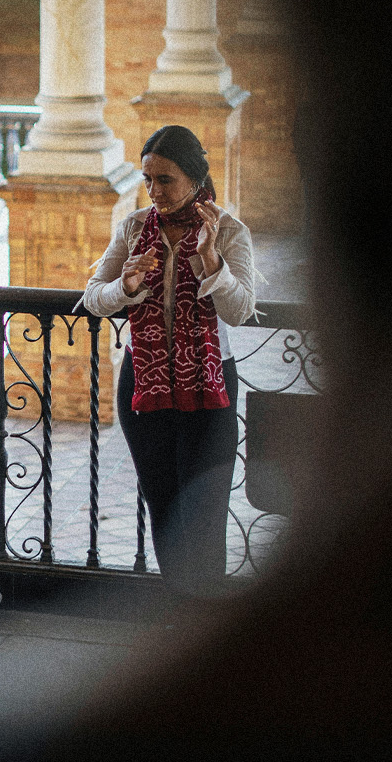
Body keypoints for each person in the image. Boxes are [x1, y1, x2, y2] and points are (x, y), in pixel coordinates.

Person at [80, 124, 256, 594]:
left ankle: (204, 615)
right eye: (148, 180)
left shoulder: (230, 232)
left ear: (196, 179)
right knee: (162, 501)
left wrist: (211, 264)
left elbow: (240, 311)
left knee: (206, 507)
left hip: (210, 382)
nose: (155, 191)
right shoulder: (134, 228)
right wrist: (127, 287)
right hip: (145, 381)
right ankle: (178, 607)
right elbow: (94, 297)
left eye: (166, 180)